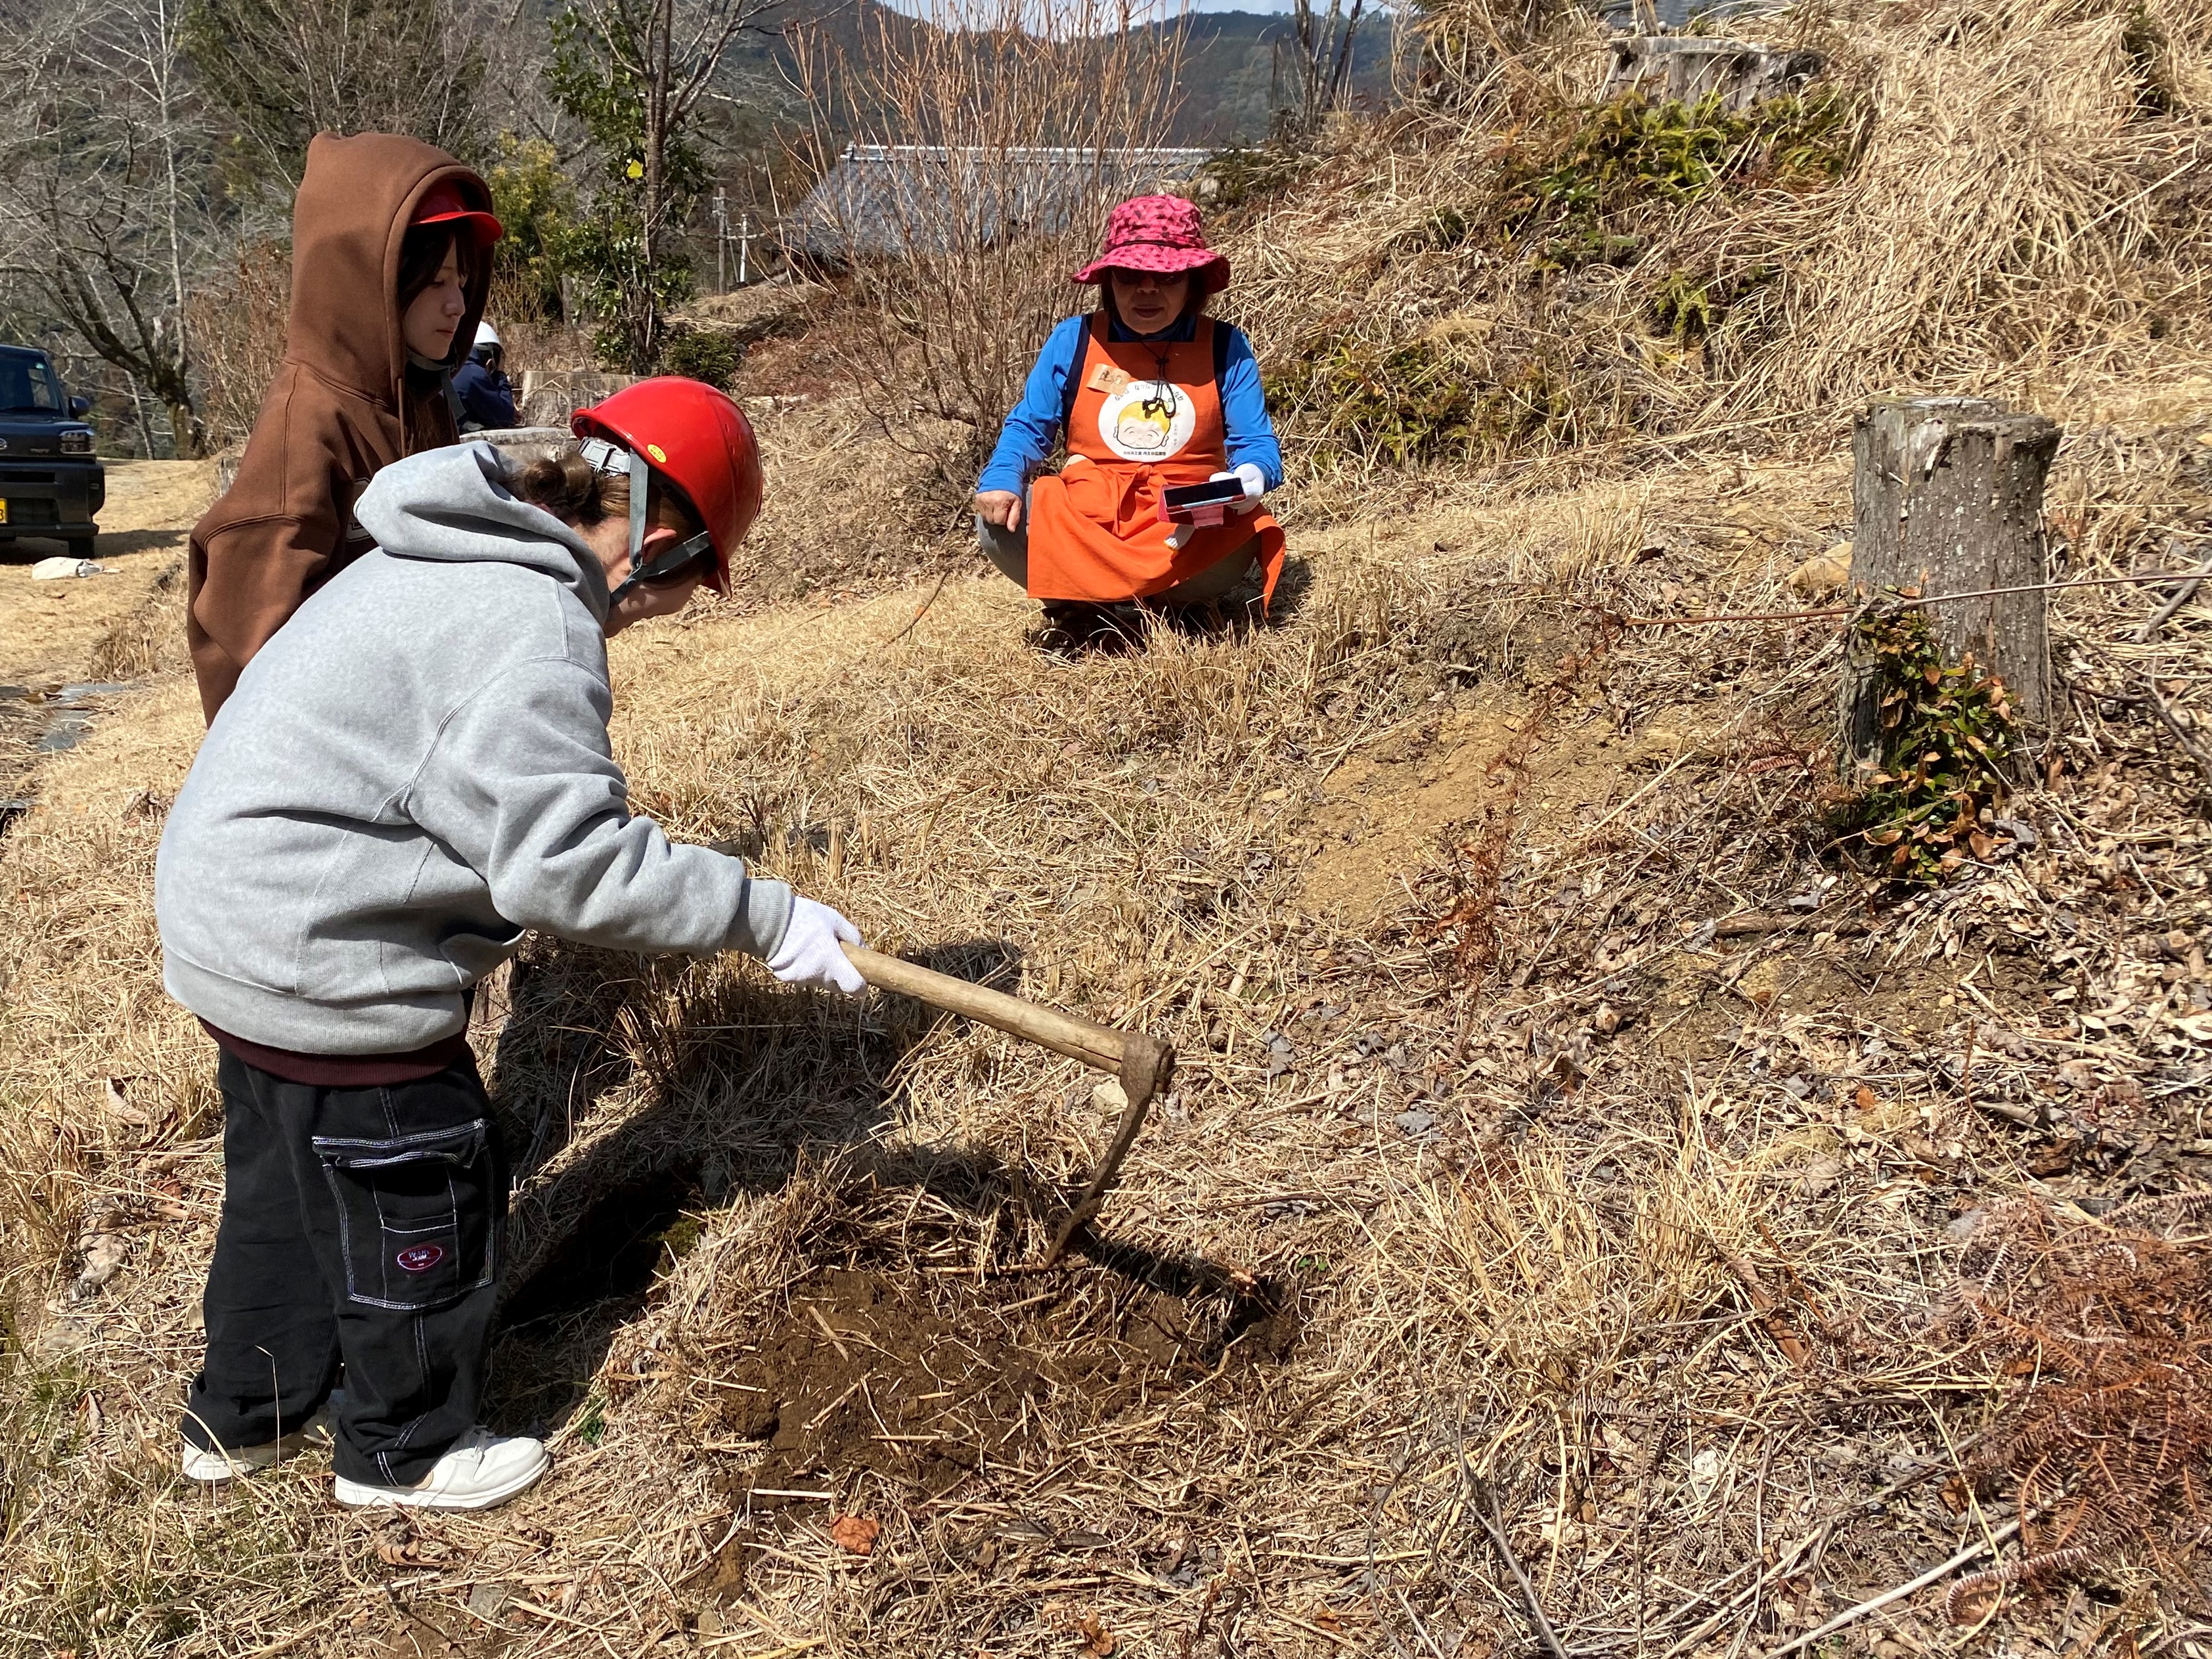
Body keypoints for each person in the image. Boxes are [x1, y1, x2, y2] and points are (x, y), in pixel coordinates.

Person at [154, 378, 869, 1512]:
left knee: (285, 1190)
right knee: (422, 1174)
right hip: (324, 954)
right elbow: (568, 865)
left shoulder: (443, 548)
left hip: (229, 926)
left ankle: (244, 1415)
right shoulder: (533, 626)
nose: (645, 622)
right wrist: (766, 915)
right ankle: (403, 1448)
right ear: (662, 547)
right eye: (676, 597)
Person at [186, 132, 503, 722]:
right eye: (436, 282)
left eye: (461, 281)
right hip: (333, 767)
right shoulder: (304, 429)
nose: (457, 305)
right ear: (367, 276)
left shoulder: (420, 397)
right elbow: (254, 656)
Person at [973, 194, 1287, 645]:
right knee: (998, 520)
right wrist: (1001, 476)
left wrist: (1247, 478)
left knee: (1242, 527)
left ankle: (1168, 606)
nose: (1146, 291)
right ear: (1109, 282)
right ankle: (1085, 608)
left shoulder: (1225, 347)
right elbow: (1029, 426)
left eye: (1166, 278)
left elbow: (1257, 443)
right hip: (1091, 513)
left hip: (1184, 525)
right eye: (1129, 277)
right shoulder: (1073, 340)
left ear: (1192, 283)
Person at [453, 322, 518, 432]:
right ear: (490, 355)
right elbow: (504, 418)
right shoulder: (474, 375)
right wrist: (500, 374)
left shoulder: (454, 369)